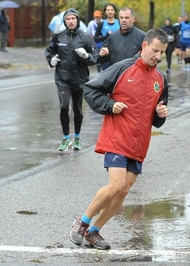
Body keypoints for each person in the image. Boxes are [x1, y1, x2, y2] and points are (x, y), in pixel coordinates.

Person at [69, 28, 169, 250]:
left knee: (124, 190)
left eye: (162, 52)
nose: (158, 56)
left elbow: (157, 116)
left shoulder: (160, 79)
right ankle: (82, 222)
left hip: (139, 142)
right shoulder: (122, 68)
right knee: (116, 186)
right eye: (155, 51)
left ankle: (94, 232)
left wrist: (160, 115)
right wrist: (110, 105)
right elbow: (91, 90)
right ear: (144, 46)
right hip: (117, 137)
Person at [45, 8, 99, 151]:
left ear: (77, 20)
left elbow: (95, 56)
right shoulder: (58, 36)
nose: (70, 21)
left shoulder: (85, 37)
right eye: (68, 19)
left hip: (80, 79)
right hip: (62, 79)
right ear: (65, 21)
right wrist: (51, 60)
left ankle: (77, 137)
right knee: (64, 107)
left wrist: (86, 56)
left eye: (73, 18)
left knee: (77, 109)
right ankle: (65, 138)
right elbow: (49, 51)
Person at [93, 3, 120, 70]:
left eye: (112, 10)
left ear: (115, 11)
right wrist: (106, 36)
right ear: (105, 12)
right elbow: (95, 39)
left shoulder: (119, 23)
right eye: (108, 10)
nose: (110, 11)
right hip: (106, 53)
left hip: (118, 52)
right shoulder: (101, 24)